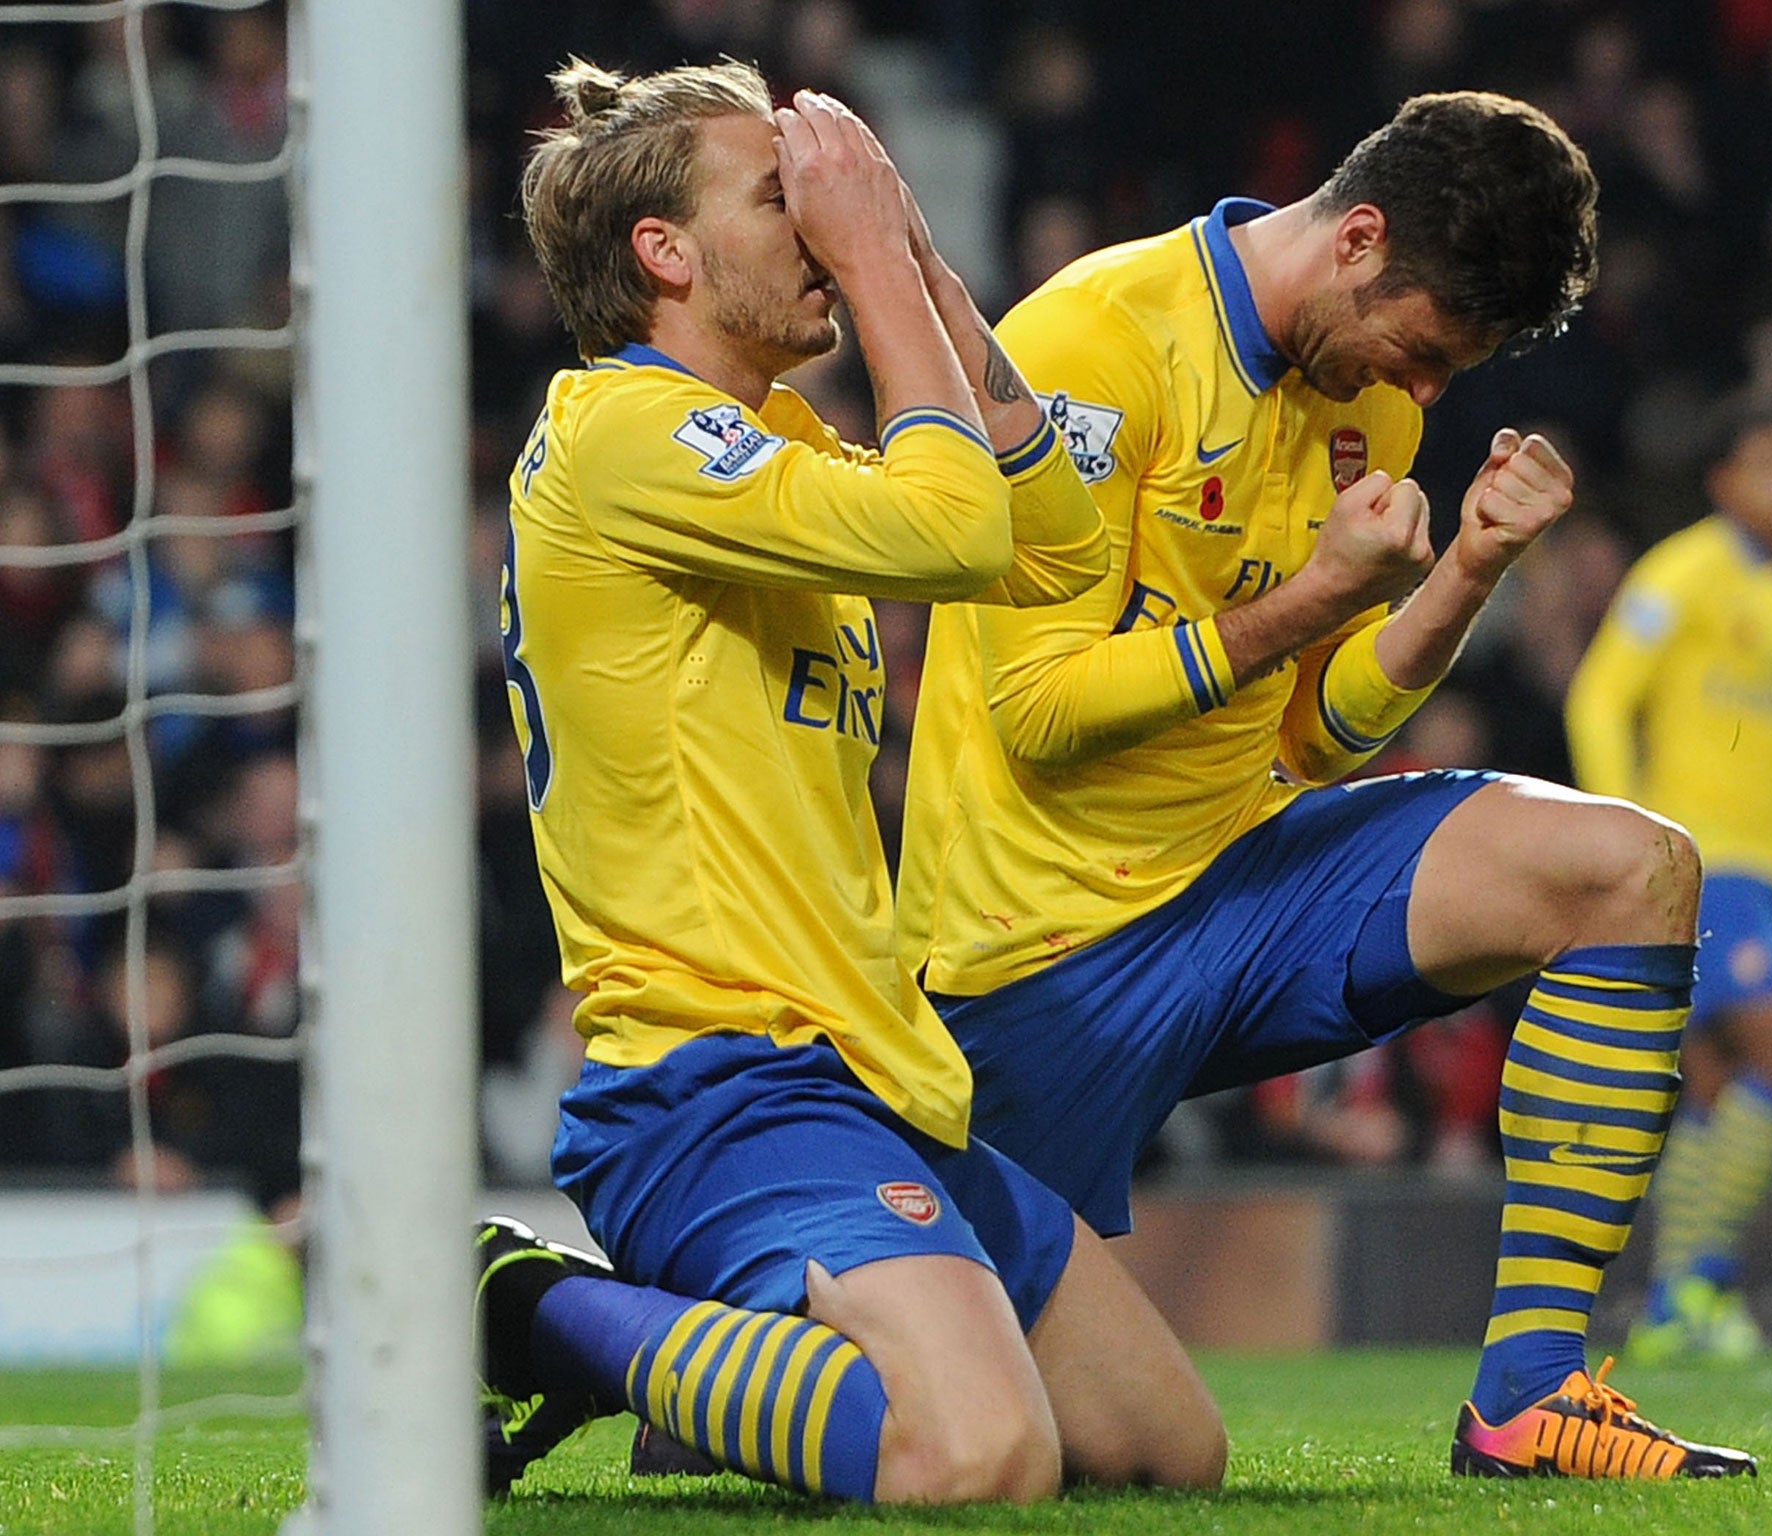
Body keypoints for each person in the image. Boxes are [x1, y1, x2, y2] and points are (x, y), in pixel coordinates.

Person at [897, 90, 1756, 1479]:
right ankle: (575, 1324)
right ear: (1357, 237)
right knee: (1039, 1446)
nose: (1420, 395)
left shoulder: (1375, 404)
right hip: (1035, 953)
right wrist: (1313, 597)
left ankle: (1532, 1399)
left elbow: (1311, 740)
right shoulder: (1089, 344)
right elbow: (1041, 715)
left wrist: (1466, 569)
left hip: (1249, 880)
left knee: (1630, 869)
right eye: (1421, 353)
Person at [479, 60, 1226, 1504]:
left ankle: (730, 1368)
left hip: (871, 1079)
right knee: (976, 1454)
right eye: (784, 199)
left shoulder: (784, 448)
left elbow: (1063, 552)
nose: (823, 227)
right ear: (664, 255)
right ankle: (539, 1312)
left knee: (1161, 1451)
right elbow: (958, 535)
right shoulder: (619, 435)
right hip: (716, 1081)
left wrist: (924, 267)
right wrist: (878, 258)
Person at [1567, 413, 1772, 1363]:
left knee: (1715, 1077)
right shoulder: (1680, 573)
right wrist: (1633, 830)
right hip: (1701, 852)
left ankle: (1676, 1301)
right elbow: (1600, 697)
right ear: (1723, 478)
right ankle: (1697, 1281)